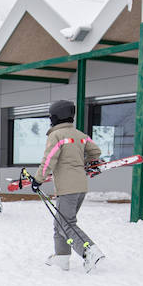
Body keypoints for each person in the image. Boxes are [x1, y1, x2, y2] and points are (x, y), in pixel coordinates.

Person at [35, 100, 102, 271]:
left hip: (67, 187)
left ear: (55, 117)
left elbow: (49, 160)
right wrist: (82, 162)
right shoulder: (80, 135)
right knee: (60, 222)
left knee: (66, 223)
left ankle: (89, 251)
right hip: (81, 186)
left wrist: (38, 179)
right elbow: (95, 152)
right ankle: (61, 258)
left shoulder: (56, 136)